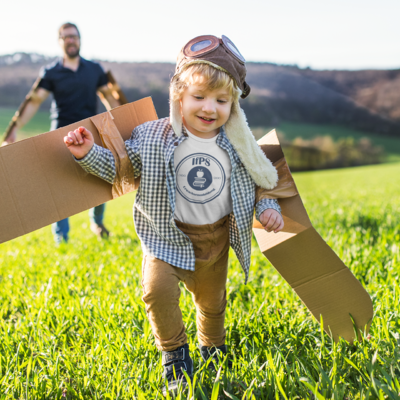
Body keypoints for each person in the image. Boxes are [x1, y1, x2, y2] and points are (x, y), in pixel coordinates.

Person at [63, 35, 284, 394]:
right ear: (178, 97)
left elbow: (262, 184)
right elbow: (120, 169)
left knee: (212, 304)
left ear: (234, 107)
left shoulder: (239, 146)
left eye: (221, 101)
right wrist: (87, 152)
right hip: (164, 236)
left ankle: (213, 349)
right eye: (199, 97)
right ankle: (175, 355)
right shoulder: (152, 137)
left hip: (213, 240)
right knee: (155, 291)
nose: (209, 108)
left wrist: (269, 209)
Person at [2, 22, 120, 244]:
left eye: (73, 36)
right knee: (58, 190)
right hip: (59, 136)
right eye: (65, 37)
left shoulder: (94, 69)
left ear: (79, 39)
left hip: (90, 133)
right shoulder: (51, 72)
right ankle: (61, 238)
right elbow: (34, 100)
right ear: (60, 41)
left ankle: (97, 222)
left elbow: (109, 97)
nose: (70, 40)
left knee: (99, 180)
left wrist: (123, 121)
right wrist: (13, 129)